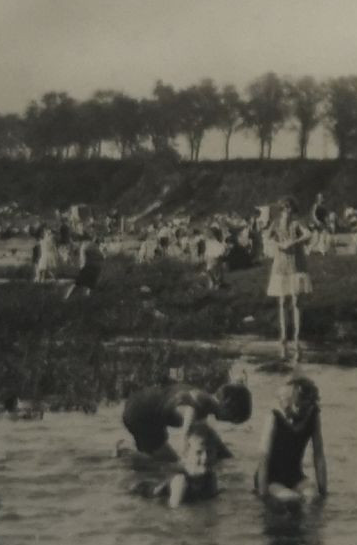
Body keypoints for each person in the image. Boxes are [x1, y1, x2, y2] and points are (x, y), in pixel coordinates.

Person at [118, 379, 251, 465]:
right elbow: (189, 417)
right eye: (232, 418)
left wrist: (228, 457)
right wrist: (185, 455)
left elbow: (210, 437)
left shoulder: (205, 402)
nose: (228, 422)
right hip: (141, 415)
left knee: (155, 458)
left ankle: (127, 452)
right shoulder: (199, 402)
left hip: (142, 406)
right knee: (169, 463)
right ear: (227, 406)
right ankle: (125, 453)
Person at [254, 373, 328, 504]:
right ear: (289, 400)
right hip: (271, 478)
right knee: (292, 500)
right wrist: (263, 494)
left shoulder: (313, 415)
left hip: (295, 475)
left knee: (314, 498)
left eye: (305, 407)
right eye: (297, 406)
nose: (301, 411)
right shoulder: (274, 417)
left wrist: (323, 491)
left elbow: (319, 454)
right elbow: (263, 458)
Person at [264, 198, 314, 362]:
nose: (287, 211)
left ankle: (297, 336)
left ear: (293, 210)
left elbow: (308, 233)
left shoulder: (296, 223)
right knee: (282, 301)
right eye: (285, 209)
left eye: (290, 208)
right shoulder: (276, 223)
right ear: (281, 210)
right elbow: (267, 236)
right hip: (281, 264)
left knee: (296, 300)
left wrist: (294, 241)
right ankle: (284, 335)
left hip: (296, 264)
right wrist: (278, 244)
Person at [135, 430, 220, 507]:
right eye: (198, 452)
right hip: (142, 492)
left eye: (210, 452)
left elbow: (213, 500)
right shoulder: (180, 481)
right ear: (186, 455)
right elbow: (175, 515)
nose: (205, 457)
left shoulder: (210, 476)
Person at [63, 235, 103, 300]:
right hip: (94, 268)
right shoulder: (94, 247)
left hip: (88, 267)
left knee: (78, 284)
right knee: (87, 285)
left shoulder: (85, 245)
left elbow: (82, 258)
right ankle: (83, 298)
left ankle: (67, 298)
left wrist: (81, 266)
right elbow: (101, 257)